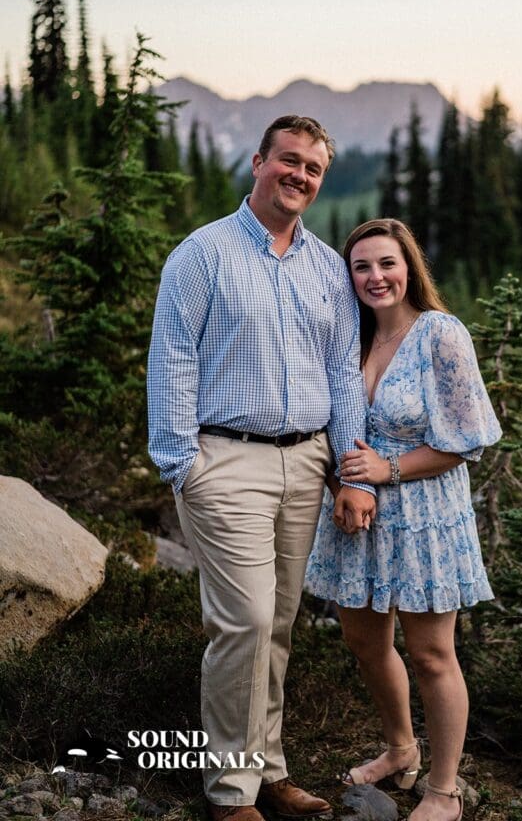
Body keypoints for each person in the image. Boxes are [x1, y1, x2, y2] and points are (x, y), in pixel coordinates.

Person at [147, 116, 376, 821]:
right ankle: (230, 794)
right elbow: (172, 357)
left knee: (276, 625)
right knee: (245, 621)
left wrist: (351, 471)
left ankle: (268, 771)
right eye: (289, 160)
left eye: (313, 168)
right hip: (224, 460)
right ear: (258, 161)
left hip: (306, 463)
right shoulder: (203, 254)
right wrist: (182, 464)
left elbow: (342, 373)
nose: (299, 175)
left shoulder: (327, 269)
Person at [306, 219, 502, 821]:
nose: (375, 277)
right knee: (365, 642)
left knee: (432, 654)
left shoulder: (440, 333)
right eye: (361, 266)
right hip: (354, 515)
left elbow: (467, 440)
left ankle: (444, 789)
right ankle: (400, 748)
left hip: (424, 516)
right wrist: (343, 485)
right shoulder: (348, 336)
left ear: (409, 267)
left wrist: (386, 469)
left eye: (387, 263)